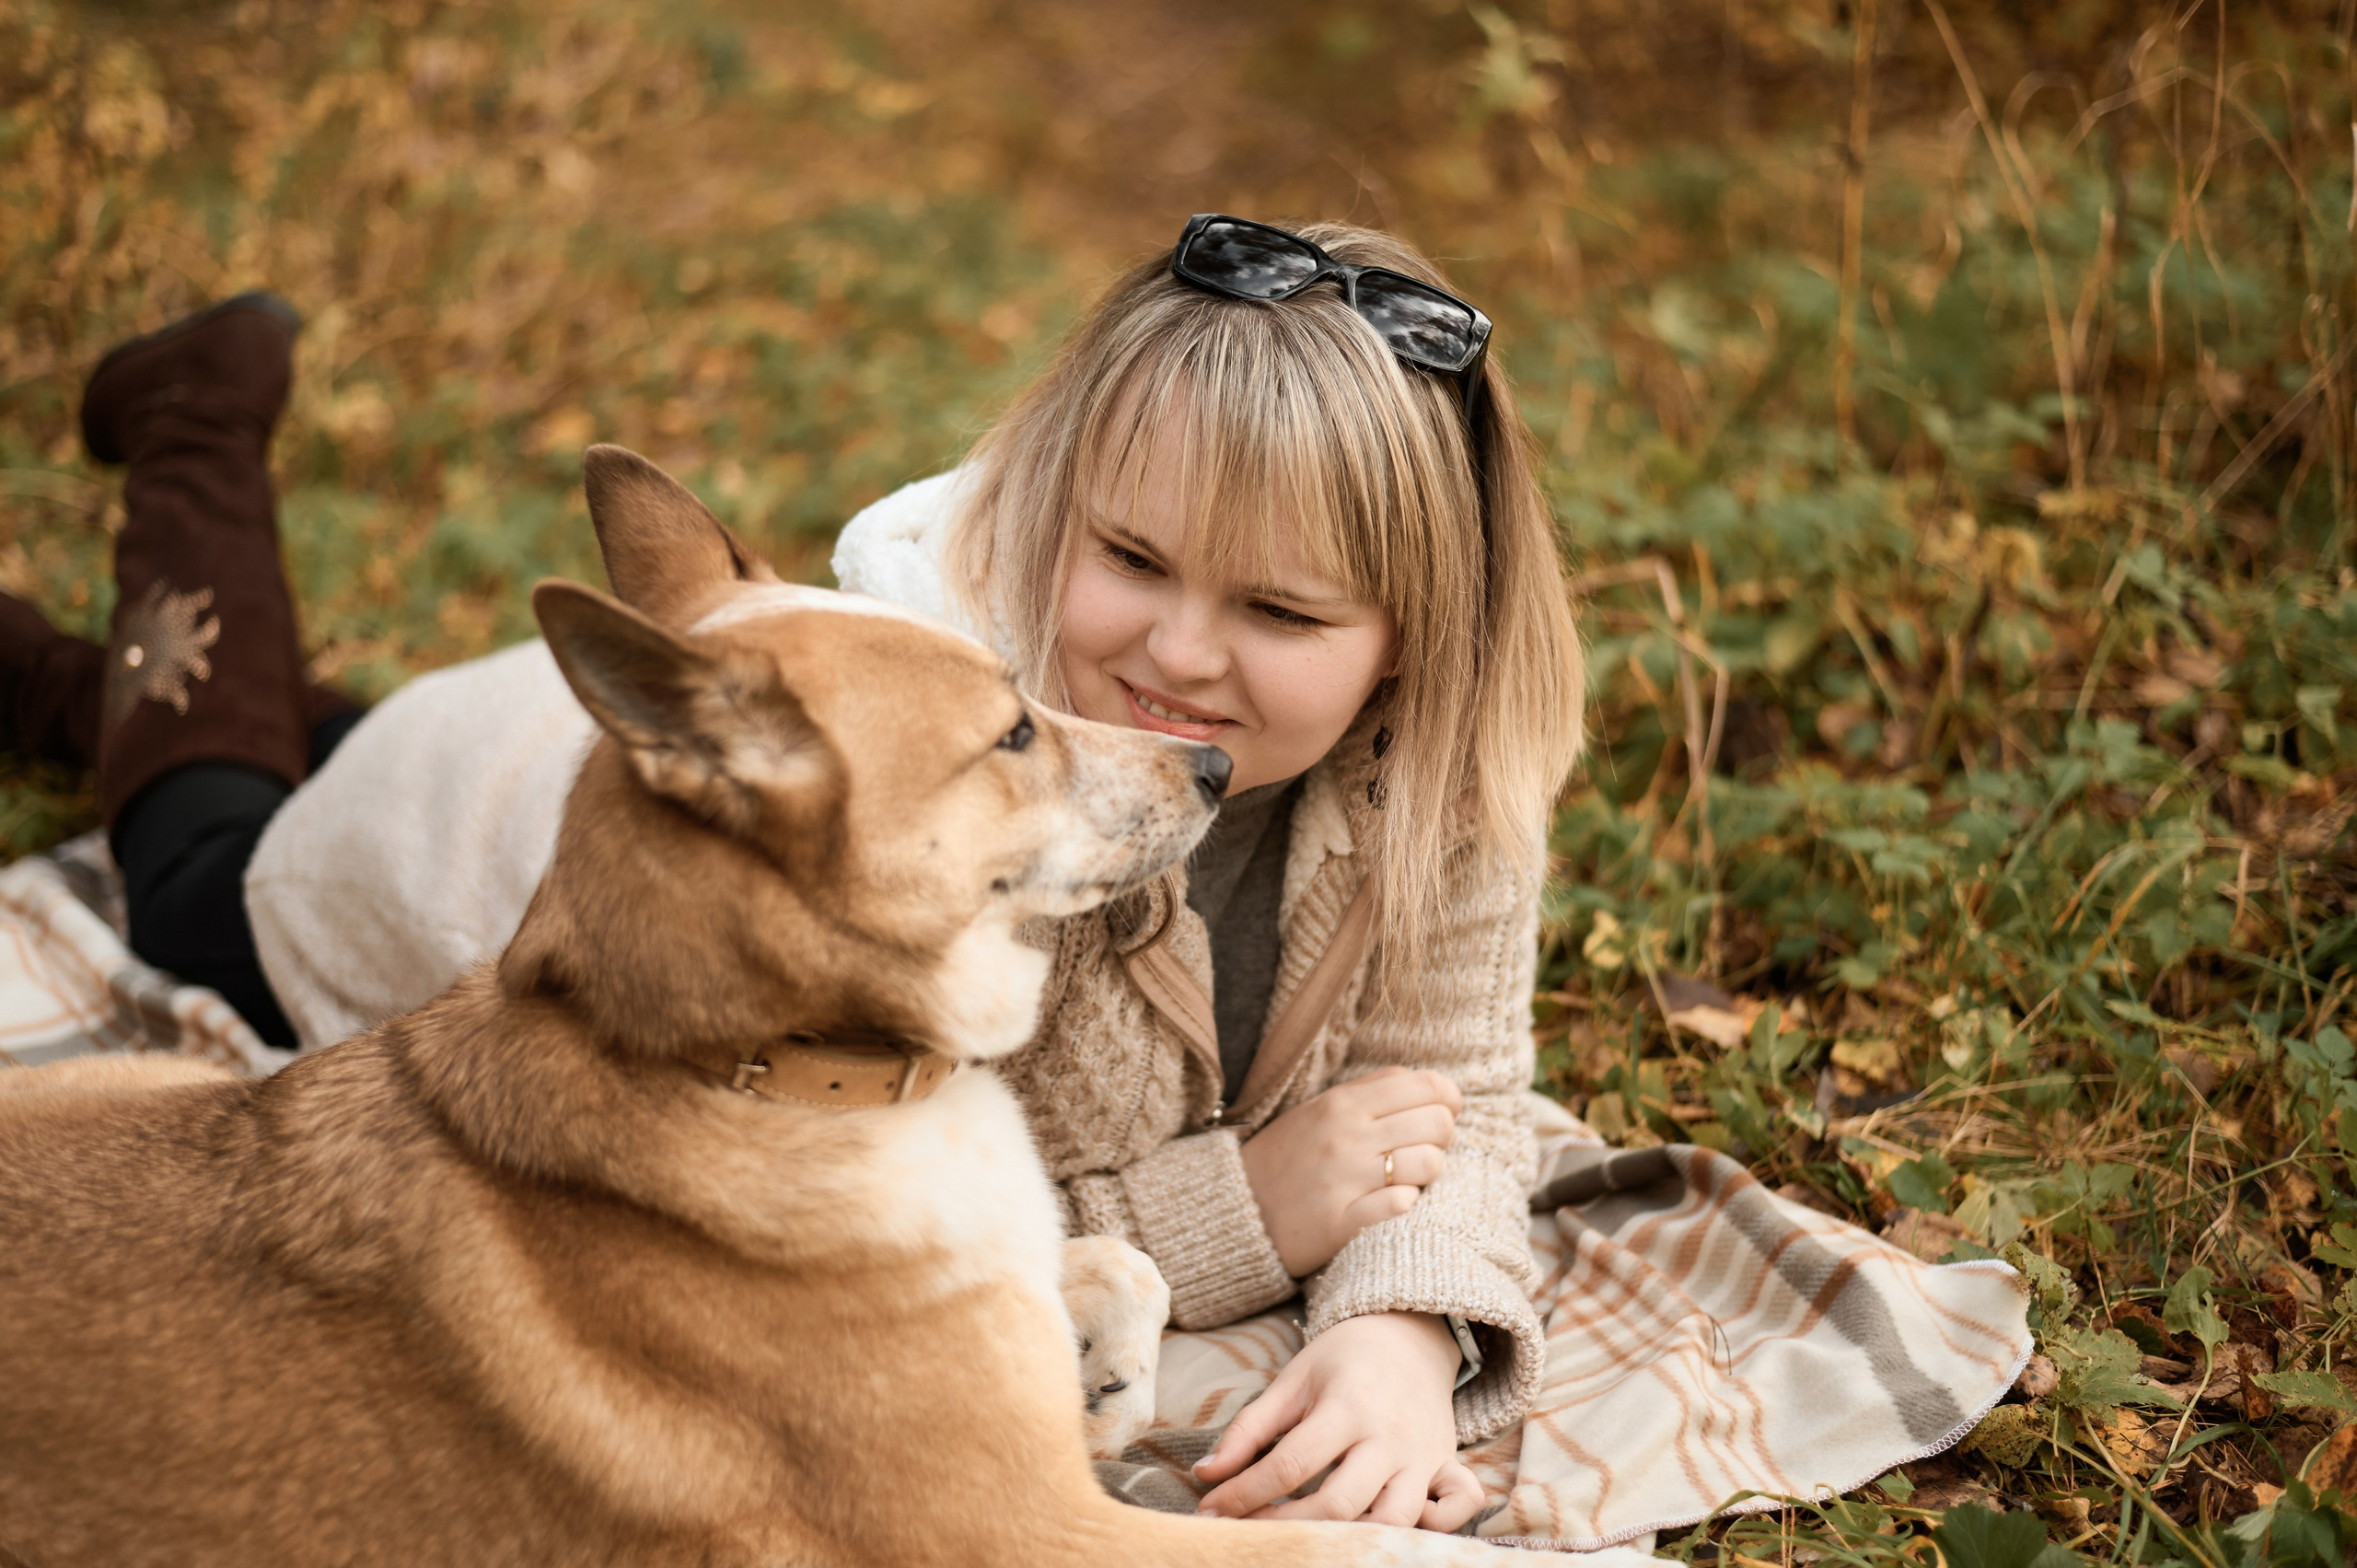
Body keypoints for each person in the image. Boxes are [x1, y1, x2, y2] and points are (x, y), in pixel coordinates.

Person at [0, 216, 1585, 1530]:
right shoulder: (932, 820)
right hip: (416, 851)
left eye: (1284, 617)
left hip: (674, 731)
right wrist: (1247, 1202)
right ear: (1060, 509)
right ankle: (196, 415)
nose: (1175, 658)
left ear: (1414, 648)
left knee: (256, 718)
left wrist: (1400, 1326)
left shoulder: (1431, 771)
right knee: (205, 822)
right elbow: (860, 1230)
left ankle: (54, 684)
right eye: (1133, 561)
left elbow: (1455, 1085)